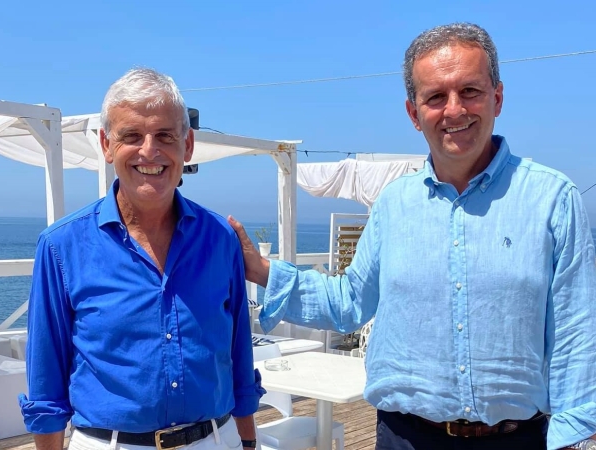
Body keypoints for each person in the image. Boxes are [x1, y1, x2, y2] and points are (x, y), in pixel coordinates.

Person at [228, 23, 596, 450]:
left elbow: (576, 335)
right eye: (435, 96)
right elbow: (349, 301)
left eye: (470, 91)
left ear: (497, 97)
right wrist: (261, 270)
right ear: (413, 113)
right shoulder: (392, 203)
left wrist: (575, 437)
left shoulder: (552, 199)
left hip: (518, 440)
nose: (454, 110)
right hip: (405, 438)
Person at [19, 68, 262, 450]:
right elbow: (46, 384)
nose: (149, 150)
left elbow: (239, 358)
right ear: (106, 145)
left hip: (217, 439)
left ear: (187, 145)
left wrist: (248, 444)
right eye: (131, 136)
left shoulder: (221, 238)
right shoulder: (60, 246)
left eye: (165, 135)